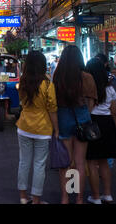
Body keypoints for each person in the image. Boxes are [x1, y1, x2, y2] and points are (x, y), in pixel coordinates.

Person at [53, 45, 98, 204]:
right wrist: (84, 115)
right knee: (80, 162)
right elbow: (91, 103)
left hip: (63, 117)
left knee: (65, 163)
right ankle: (79, 199)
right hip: (82, 118)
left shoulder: (58, 77)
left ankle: (65, 198)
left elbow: (54, 103)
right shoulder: (87, 77)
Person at [16, 51, 59, 204]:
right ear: (42, 65)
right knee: (39, 165)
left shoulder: (22, 82)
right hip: (42, 129)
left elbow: (21, 101)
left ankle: (22, 196)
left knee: (24, 162)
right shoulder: (47, 85)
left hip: (24, 126)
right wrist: (57, 129)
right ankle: (36, 200)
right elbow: (52, 108)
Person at [85, 58, 116, 204]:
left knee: (92, 162)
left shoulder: (89, 89)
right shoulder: (110, 88)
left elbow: (88, 110)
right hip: (108, 124)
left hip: (93, 124)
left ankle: (96, 197)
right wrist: (113, 127)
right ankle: (108, 194)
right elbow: (114, 111)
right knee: (104, 162)